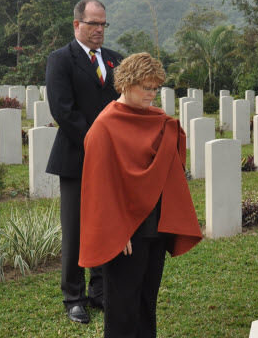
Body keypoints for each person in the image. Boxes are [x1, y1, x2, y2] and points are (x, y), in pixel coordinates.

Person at [79, 53, 203, 337]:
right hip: (125, 232)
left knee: (147, 302)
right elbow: (98, 186)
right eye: (146, 87)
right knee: (123, 307)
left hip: (156, 224)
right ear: (125, 83)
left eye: (156, 88)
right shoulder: (104, 126)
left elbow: (170, 163)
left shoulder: (158, 120)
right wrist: (115, 232)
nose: (152, 94)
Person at [45, 0, 123, 324]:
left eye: (103, 24)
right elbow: (62, 108)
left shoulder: (117, 60)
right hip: (77, 156)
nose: (99, 30)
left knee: (104, 225)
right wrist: (96, 141)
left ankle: (100, 290)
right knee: (76, 229)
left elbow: (124, 105)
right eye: (93, 23)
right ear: (77, 24)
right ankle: (73, 296)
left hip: (111, 160)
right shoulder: (61, 59)